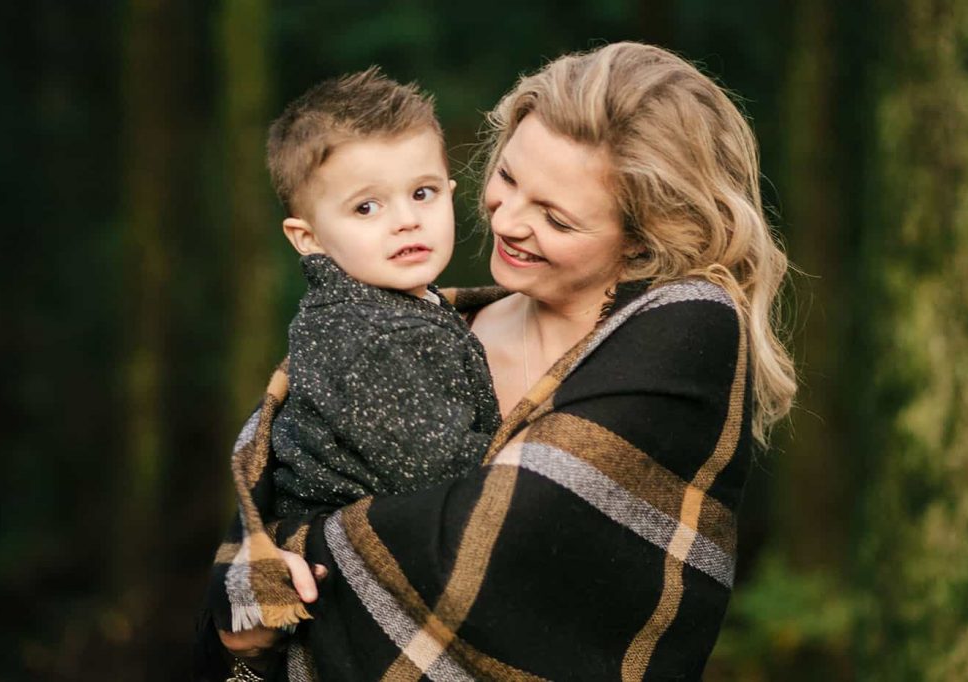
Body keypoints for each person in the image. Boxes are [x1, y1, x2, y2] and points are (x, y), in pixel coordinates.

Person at [206, 41, 796, 681]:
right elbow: (251, 560)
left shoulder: (683, 335)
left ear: (645, 235)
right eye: (509, 178)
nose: (508, 220)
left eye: (557, 218)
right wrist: (242, 613)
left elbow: (491, 553)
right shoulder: (416, 329)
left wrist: (295, 550)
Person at [205, 68, 501, 648]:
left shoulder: (401, 304)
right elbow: (444, 480)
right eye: (367, 208)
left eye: (423, 193)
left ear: (449, 189)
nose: (406, 219)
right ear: (307, 236)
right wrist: (542, 451)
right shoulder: (368, 334)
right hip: (348, 583)